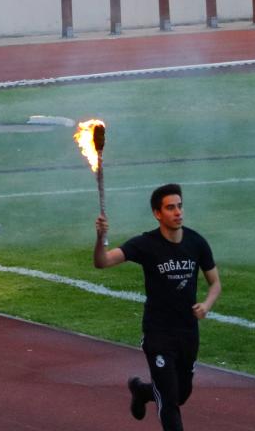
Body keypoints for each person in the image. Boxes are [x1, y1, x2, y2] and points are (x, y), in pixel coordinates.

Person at [93, 183, 221, 431]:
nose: (178, 212)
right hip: (158, 333)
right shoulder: (146, 244)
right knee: (169, 400)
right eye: (170, 208)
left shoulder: (196, 242)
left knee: (181, 394)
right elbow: (102, 262)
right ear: (157, 213)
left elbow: (215, 283)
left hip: (188, 332)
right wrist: (100, 238)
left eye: (179, 206)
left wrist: (206, 304)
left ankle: (142, 391)